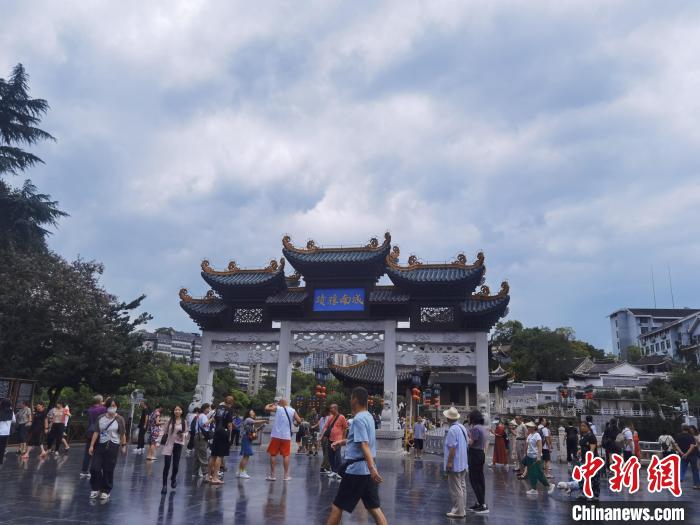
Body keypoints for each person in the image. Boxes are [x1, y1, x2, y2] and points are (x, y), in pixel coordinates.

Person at [326, 386, 387, 525]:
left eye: (351, 398)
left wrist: (372, 469)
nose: (350, 400)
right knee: (374, 508)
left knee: (337, 506)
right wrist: (341, 442)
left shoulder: (358, 419)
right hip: (366, 472)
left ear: (355, 399)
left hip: (356, 471)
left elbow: (364, 444)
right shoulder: (369, 416)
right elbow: (359, 440)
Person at [88, 398, 127, 500]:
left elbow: (122, 434)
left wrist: (123, 445)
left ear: (117, 406)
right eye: (110, 405)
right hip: (100, 444)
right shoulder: (100, 417)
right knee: (94, 468)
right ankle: (95, 488)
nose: (112, 408)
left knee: (108, 469)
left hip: (113, 445)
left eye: (114, 406)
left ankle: (106, 490)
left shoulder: (120, 419)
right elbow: (96, 432)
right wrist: (91, 445)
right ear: (106, 407)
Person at [265, 398, 301, 481]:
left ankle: (273, 476)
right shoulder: (292, 410)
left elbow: (266, 408)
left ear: (280, 403)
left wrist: (269, 404)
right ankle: (286, 476)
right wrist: (296, 424)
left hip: (276, 435)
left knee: (273, 454)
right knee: (286, 455)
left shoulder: (278, 408)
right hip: (286, 436)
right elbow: (299, 420)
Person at [443, 407, 468, 518]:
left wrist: (449, 463)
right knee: (462, 486)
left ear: (448, 418)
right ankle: (462, 509)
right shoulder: (462, 427)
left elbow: (452, 448)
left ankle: (458, 511)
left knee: (456, 488)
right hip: (463, 462)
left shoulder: (452, 430)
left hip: (455, 463)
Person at [160, 405, 188, 494]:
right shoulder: (170, 421)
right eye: (176, 410)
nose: (177, 411)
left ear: (182, 411)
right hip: (169, 444)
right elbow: (163, 431)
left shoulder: (184, 422)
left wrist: (183, 434)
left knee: (175, 465)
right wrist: (158, 440)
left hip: (178, 444)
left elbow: (186, 432)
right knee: (167, 465)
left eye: (179, 410)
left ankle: (173, 478)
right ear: (173, 411)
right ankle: (164, 485)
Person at [523, 421, 554, 495]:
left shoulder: (537, 435)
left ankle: (549, 485)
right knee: (531, 473)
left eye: (529, 427)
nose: (528, 428)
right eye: (528, 427)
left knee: (539, 473)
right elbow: (527, 446)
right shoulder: (530, 435)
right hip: (529, 456)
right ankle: (534, 488)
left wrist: (539, 457)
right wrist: (525, 454)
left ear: (533, 428)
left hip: (535, 457)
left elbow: (540, 446)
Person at [467, 409, 489, 514]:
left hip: (474, 454)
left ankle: (482, 504)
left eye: (469, 417)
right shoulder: (483, 428)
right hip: (480, 453)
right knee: (480, 479)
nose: (468, 419)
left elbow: (471, 442)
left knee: (474, 479)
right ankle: (480, 502)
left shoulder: (475, 428)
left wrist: (466, 436)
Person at [208, 396, 234, 484]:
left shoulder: (218, 408)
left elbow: (214, 419)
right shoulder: (229, 410)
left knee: (213, 455)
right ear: (232, 403)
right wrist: (230, 436)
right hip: (224, 433)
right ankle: (215, 477)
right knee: (220, 456)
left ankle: (208, 476)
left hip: (216, 432)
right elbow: (230, 425)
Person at [80, 395, 106, 477]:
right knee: (97, 453)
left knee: (87, 452)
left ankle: (84, 470)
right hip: (99, 432)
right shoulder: (103, 409)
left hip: (90, 431)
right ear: (100, 401)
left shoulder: (90, 410)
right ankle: (94, 470)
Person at [237, 409, 266, 479]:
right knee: (246, 456)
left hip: (247, 439)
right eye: (252, 412)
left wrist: (260, 428)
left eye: (253, 412)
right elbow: (255, 421)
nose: (253, 413)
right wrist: (264, 420)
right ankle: (242, 472)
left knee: (245, 456)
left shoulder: (250, 422)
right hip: (246, 438)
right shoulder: (248, 419)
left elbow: (253, 430)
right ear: (248, 413)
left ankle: (240, 471)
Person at [322, 403, 348, 480]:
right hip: (330, 439)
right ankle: (334, 470)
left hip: (338, 440)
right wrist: (322, 435)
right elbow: (326, 426)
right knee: (330, 456)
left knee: (337, 456)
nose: (330, 410)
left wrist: (343, 438)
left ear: (335, 409)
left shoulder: (342, 417)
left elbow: (345, 428)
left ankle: (340, 472)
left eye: (331, 408)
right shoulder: (330, 417)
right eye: (330, 408)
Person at [676, 424, 700, 489]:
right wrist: (686, 454)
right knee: (694, 470)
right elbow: (692, 446)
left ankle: (679, 480)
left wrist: (682, 453)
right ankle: (696, 485)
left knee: (682, 468)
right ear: (688, 429)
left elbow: (676, 445)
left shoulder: (678, 436)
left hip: (683, 456)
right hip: (692, 455)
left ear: (682, 429)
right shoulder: (691, 436)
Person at [193, 403, 212, 478]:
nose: (209, 410)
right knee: (203, 454)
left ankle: (195, 472)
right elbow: (205, 424)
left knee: (197, 454)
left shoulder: (200, 415)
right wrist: (211, 420)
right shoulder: (203, 416)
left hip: (197, 435)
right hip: (201, 436)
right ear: (205, 408)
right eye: (208, 408)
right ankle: (205, 473)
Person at [316, 407, 331, 474]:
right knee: (324, 452)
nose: (321, 413)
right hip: (322, 437)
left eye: (323, 411)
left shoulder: (329, 418)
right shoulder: (322, 418)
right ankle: (327, 467)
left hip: (327, 436)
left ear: (327, 412)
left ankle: (323, 467)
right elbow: (319, 425)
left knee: (327, 452)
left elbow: (326, 428)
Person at [0, 399, 15, 464]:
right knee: (3, 447)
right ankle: (0, 460)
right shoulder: (11, 412)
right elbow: (14, 420)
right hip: (6, 432)